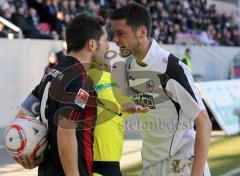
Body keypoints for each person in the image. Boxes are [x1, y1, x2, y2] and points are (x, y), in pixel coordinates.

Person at [110, 3, 212, 176]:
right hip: (150, 165)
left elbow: (204, 123)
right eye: (114, 33)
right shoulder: (129, 65)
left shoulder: (171, 68)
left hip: (181, 165)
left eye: (121, 33)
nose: (115, 39)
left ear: (142, 31)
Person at [13, 14, 105, 176]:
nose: (108, 46)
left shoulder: (52, 73)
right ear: (92, 44)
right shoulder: (81, 78)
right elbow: (65, 131)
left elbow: (21, 117)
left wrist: (26, 153)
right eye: (105, 40)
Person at [88, 25, 148, 176]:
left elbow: (122, 107)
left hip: (100, 161)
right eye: (106, 41)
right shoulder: (103, 78)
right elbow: (121, 103)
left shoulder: (95, 78)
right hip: (104, 163)